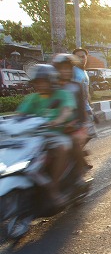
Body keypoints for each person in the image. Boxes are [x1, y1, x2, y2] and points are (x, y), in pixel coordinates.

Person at [17, 64, 76, 205]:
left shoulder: (63, 94)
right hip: (34, 136)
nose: (41, 85)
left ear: (52, 81)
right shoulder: (33, 98)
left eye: (44, 81)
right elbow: (20, 115)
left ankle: (54, 187)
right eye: (38, 82)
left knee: (62, 147)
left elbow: (67, 110)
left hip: (55, 134)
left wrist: (58, 121)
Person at [52, 54, 89, 182]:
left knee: (73, 141)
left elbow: (81, 109)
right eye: (61, 69)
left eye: (68, 68)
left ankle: (80, 173)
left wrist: (78, 124)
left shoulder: (76, 86)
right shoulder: (53, 88)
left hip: (76, 126)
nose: (65, 71)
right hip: (56, 127)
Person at [72, 47, 97, 139]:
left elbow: (86, 92)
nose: (81, 59)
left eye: (83, 56)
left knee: (88, 134)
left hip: (85, 107)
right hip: (78, 108)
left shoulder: (84, 72)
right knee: (87, 134)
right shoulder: (73, 71)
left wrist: (89, 106)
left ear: (86, 57)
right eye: (78, 57)